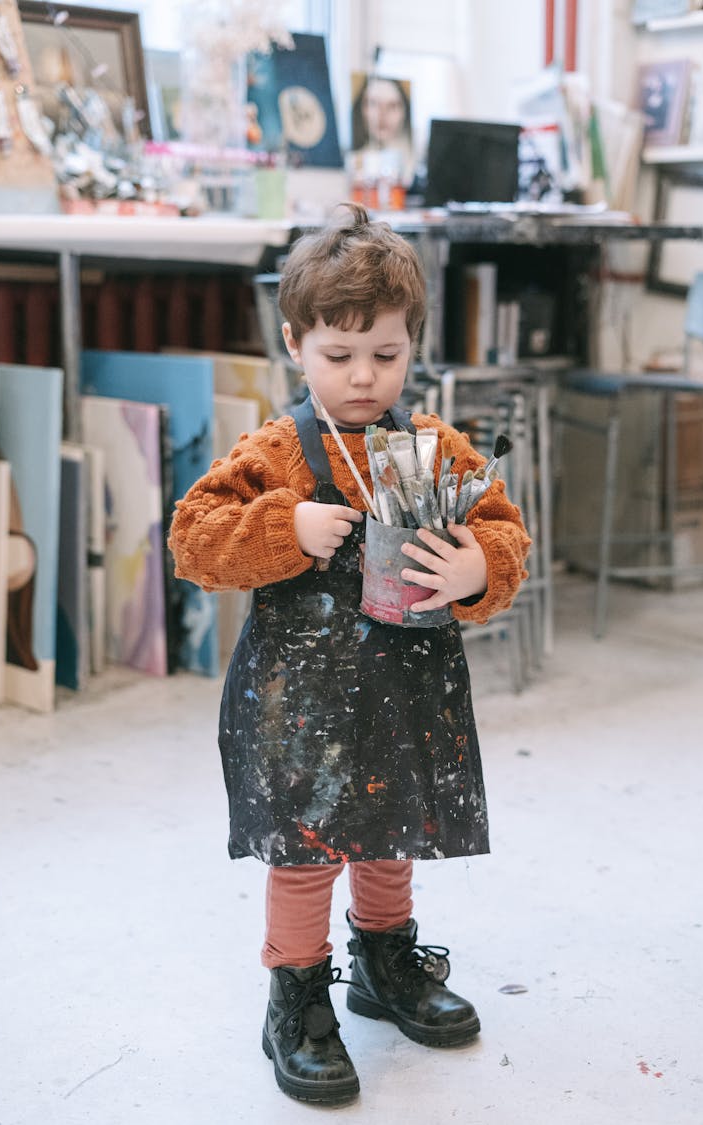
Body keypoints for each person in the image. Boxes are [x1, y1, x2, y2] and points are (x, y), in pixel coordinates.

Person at [168, 203, 531, 1107]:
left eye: (387, 354)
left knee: (394, 827)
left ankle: (385, 959)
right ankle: (296, 994)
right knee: (305, 849)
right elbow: (192, 537)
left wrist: (477, 565)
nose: (364, 377)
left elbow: (504, 528)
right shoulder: (276, 450)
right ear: (296, 344)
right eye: (340, 356)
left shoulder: (430, 443)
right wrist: (281, 525)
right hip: (300, 707)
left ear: (414, 344)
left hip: (406, 690)